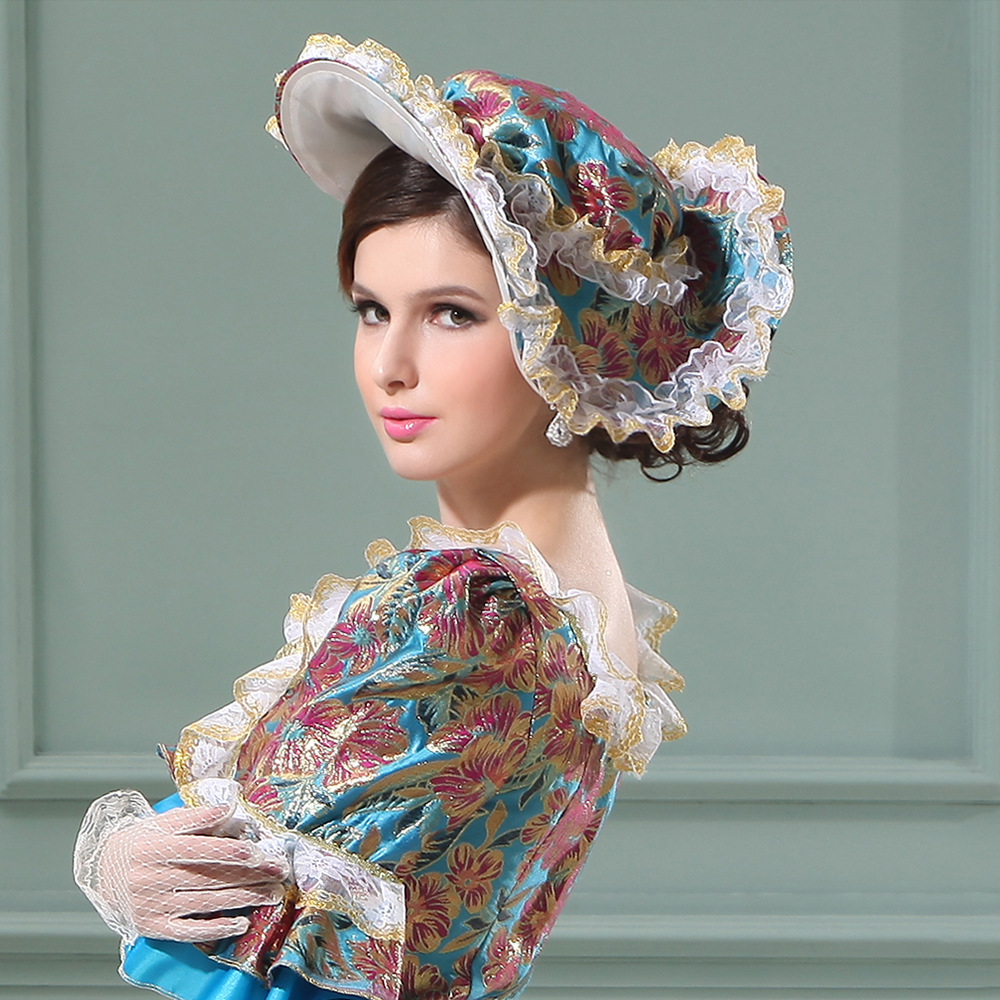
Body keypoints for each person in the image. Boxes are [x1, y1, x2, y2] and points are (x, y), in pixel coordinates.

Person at [73, 33, 793, 1000]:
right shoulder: (582, 603)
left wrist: (116, 861)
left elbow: (238, 919)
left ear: (561, 337)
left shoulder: (467, 615)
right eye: (372, 310)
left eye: (453, 313)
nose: (390, 366)